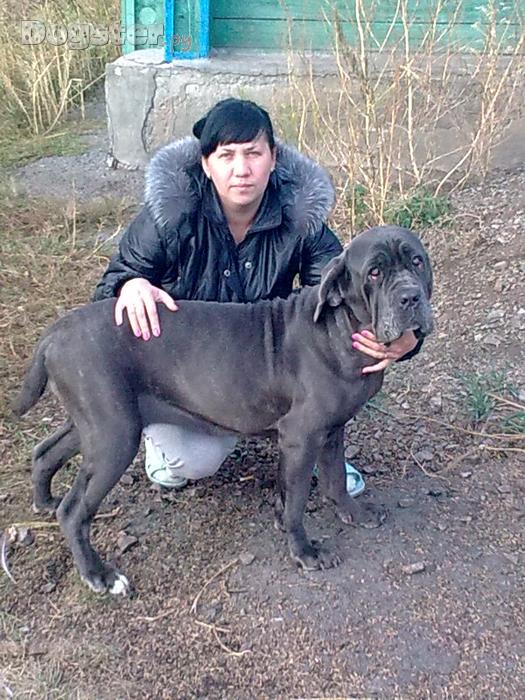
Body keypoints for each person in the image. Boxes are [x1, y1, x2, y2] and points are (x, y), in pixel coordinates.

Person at [93, 98, 421, 494]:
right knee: (194, 460)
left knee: (327, 381)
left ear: (273, 158)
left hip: (264, 365)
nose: (241, 169)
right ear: (206, 163)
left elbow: (343, 296)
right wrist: (129, 285)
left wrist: (405, 337)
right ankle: (163, 433)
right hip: (184, 373)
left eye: (253, 153)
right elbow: (110, 290)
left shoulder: (300, 218)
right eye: (226, 155)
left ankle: (312, 445)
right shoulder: (170, 213)